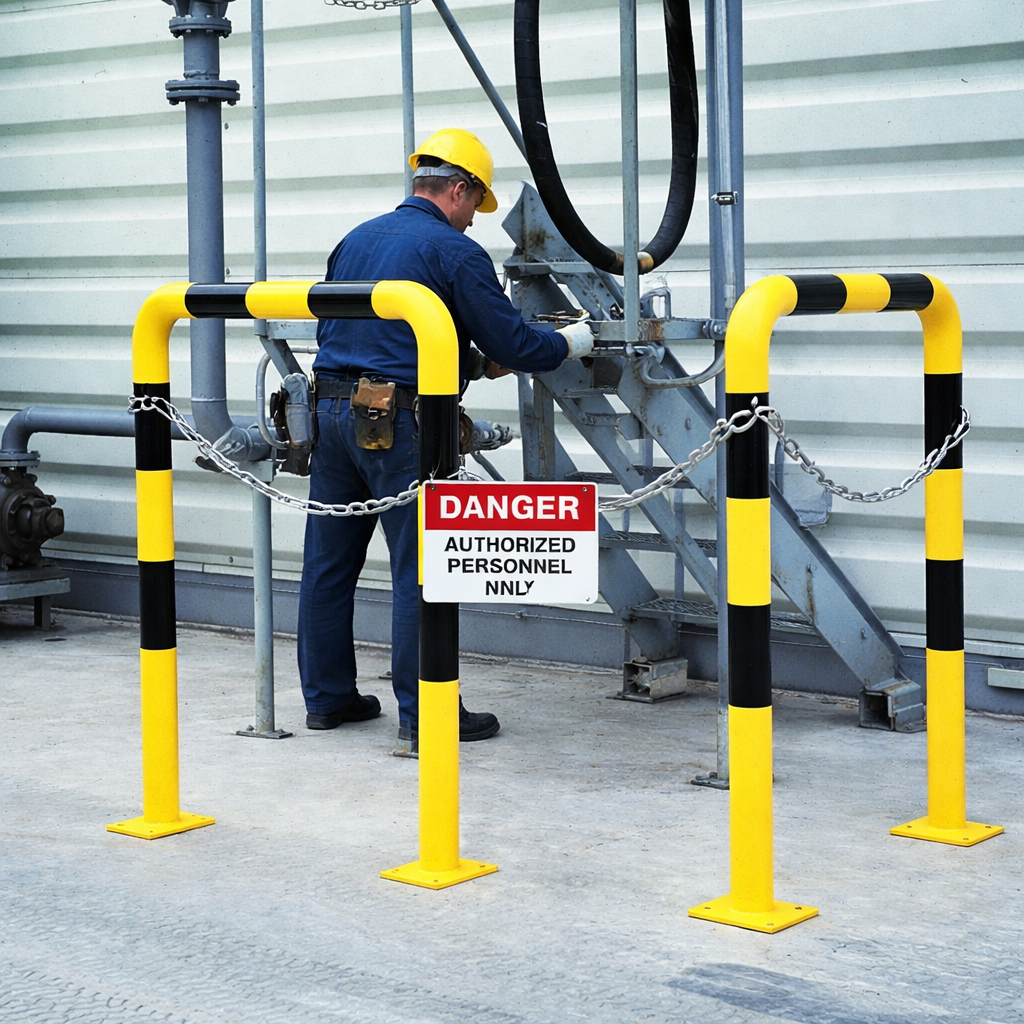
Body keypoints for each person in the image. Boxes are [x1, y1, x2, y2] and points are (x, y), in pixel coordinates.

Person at [297, 127, 594, 750]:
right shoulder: (456, 253)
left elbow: (370, 331)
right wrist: (569, 343)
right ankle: (427, 712)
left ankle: (327, 700)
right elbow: (515, 343)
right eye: (474, 207)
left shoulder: (356, 239)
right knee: (424, 570)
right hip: (402, 423)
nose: (471, 223)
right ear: (458, 190)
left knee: (328, 565)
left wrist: (465, 361)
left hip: (327, 411)